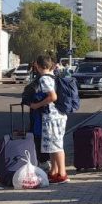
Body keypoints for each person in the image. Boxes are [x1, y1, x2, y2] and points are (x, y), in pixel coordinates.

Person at [26, 55, 70, 184]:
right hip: (57, 115)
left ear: (38, 66)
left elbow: (53, 97)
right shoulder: (53, 76)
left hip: (52, 116)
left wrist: (36, 105)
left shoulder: (44, 79)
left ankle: (62, 173)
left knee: (56, 145)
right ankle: (54, 171)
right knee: (52, 145)